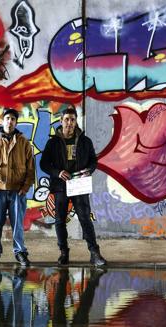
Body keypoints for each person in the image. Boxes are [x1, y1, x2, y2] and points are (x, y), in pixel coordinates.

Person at [40, 107, 107, 266]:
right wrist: (57, 172)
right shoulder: (53, 142)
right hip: (60, 186)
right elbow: (44, 164)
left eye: (72, 119)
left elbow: (93, 161)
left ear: (76, 121)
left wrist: (88, 171)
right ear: (61, 121)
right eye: (67, 119)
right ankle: (64, 252)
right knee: (60, 220)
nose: (69, 123)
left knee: (85, 218)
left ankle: (94, 253)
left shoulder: (85, 141)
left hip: (79, 185)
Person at [0, 108, 35, 267]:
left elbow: (31, 168)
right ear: (2, 121)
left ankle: (20, 252)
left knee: (18, 224)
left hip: (18, 191)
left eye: (13, 119)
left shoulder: (23, 142)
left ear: (16, 122)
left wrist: (25, 187)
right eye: (7, 118)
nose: (10, 121)